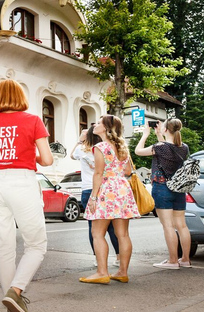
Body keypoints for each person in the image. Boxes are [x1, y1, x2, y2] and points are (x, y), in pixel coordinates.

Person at [0, 80, 53, 312]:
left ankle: (10, 302)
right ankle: (15, 291)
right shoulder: (33, 120)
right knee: (36, 244)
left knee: (4, 245)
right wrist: (28, 158)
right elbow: (47, 160)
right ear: (21, 96)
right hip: (22, 182)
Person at [80, 114, 140, 285]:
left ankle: (102, 272)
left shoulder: (100, 146)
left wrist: (93, 197)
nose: (95, 124)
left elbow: (98, 173)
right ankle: (122, 272)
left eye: (98, 123)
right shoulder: (122, 146)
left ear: (105, 128)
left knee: (97, 233)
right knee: (123, 234)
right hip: (122, 188)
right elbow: (128, 171)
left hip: (107, 189)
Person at [135, 118, 192, 269]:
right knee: (181, 226)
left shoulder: (160, 147)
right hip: (179, 189)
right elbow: (168, 150)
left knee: (168, 226)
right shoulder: (184, 147)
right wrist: (160, 134)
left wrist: (146, 134)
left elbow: (138, 151)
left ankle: (173, 261)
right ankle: (185, 259)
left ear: (166, 129)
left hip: (162, 188)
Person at [71, 126, 120, 267]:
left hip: (89, 189)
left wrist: (80, 141)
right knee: (112, 226)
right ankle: (118, 257)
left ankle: (98, 258)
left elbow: (72, 155)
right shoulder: (108, 148)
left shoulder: (82, 150)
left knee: (93, 227)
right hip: (106, 189)